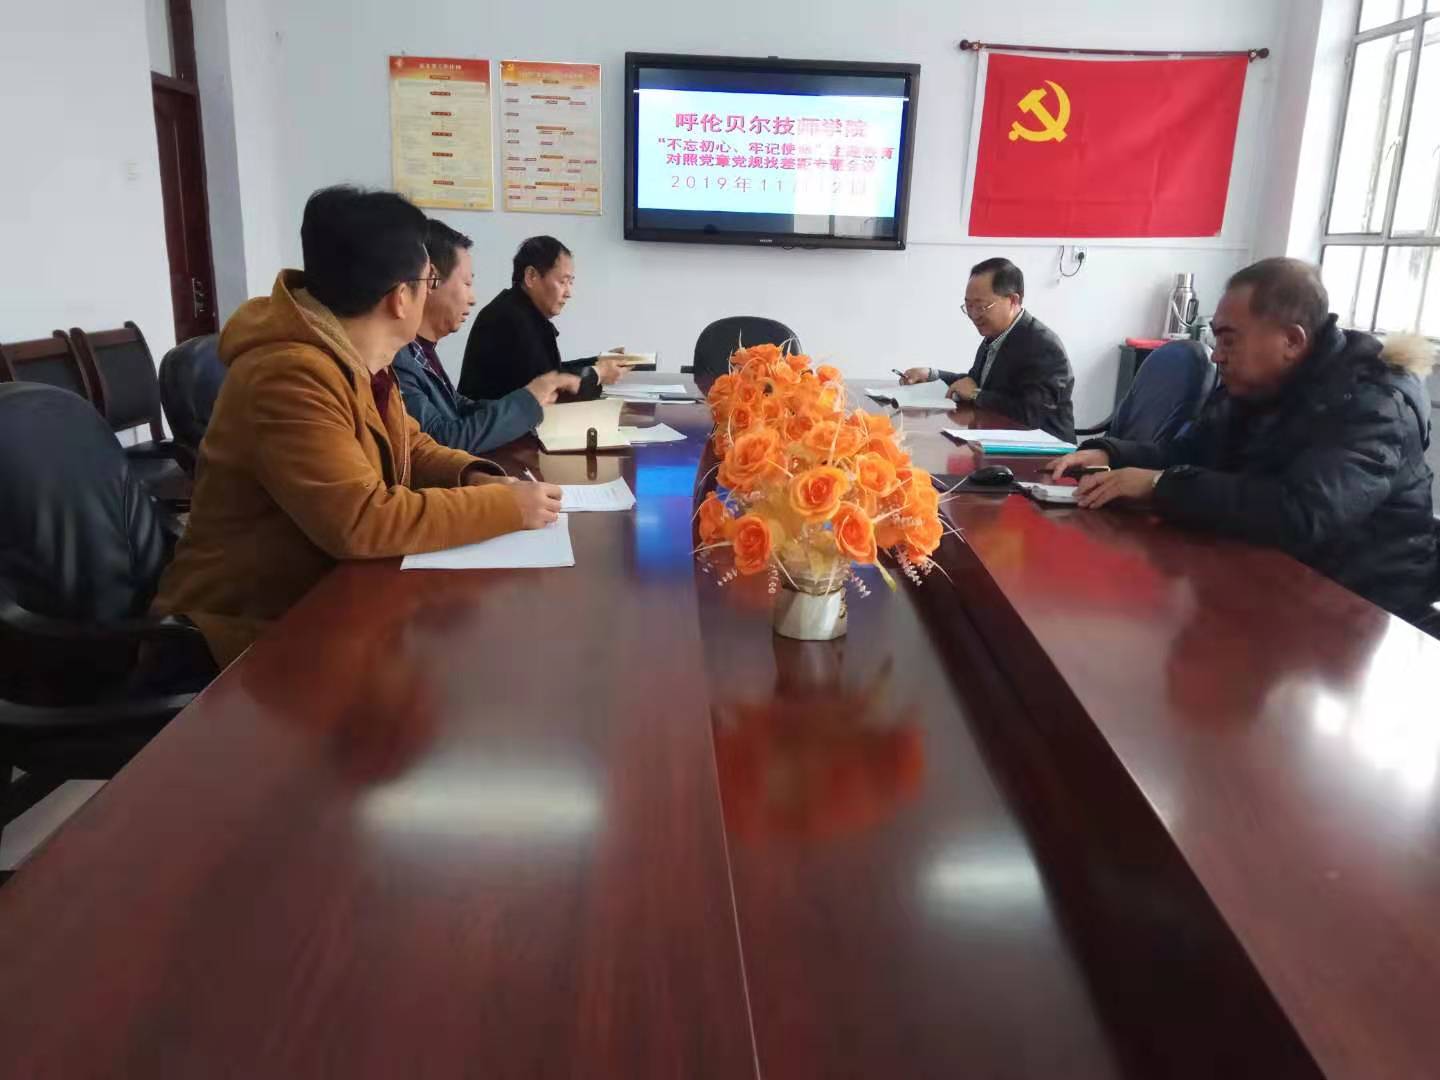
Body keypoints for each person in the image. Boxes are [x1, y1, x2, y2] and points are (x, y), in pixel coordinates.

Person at [151, 186, 563, 667]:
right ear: (400, 298)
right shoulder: (288, 375)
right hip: (243, 634)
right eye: (431, 279)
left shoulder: (357, 356)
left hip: (325, 601)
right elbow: (361, 521)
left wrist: (473, 475)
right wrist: (504, 507)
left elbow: (412, 444)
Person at [1049, 257, 1438, 624]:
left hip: (1361, 612)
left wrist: (1158, 485)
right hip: (1266, 583)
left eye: (1229, 340)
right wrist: (1110, 455)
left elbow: (1300, 513)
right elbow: (1186, 454)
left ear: (1292, 340)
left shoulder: (1373, 403)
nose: (1216, 356)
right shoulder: (1255, 387)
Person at [394, 220, 579, 453]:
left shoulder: (420, 350)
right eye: (467, 283)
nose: (472, 299)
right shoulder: (395, 358)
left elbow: (457, 405)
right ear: (431, 280)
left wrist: (529, 403)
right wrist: (527, 403)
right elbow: (440, 441)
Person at [900, 257, 1075, 442]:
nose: (974, 315)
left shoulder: (1043, 346)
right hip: (999, 439)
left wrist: (977, 395)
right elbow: (975, 382)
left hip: (1046, 451)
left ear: (1013, 300)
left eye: (982, 306)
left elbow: (1030, 414)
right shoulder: (995, 335)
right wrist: (931, 375)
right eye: (969, 306)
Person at [458, 235, 624, 401]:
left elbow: (552, 372)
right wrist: (599, 374)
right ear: (531, 276)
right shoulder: (510, 318)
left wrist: (599, 361)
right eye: (562, 282)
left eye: (571, 283)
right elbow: (549, 391)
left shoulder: (518, 310)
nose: (568, 293)